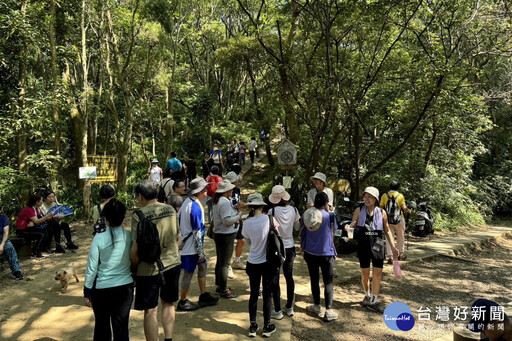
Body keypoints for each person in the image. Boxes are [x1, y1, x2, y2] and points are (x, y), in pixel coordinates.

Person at [130, 180, 181, 341]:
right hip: (172, 263)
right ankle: (168, 338)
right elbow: (177, 237)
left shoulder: (139, 215)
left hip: (148, 269)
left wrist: (134, 265)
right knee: (168, 303)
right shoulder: (170, 210)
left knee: (150, 310)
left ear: (140, 196)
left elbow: (135, 249)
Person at [84, 199, 134, 341]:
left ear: (105, 219)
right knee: (121, 329)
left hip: (101, 290)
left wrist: (87, 290)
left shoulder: (99, 238)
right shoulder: (130, 237)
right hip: (125, 288)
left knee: (101, 328)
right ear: (124, 217)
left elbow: (92, 268)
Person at [344, 186, 399, 313]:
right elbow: (352, 229)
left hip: (378, 245)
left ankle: (374, 300)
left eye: (370, 197)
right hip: (363, 245)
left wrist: (393, 247)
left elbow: (386, 231)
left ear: (375, 199)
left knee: (377, 273)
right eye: (365, 196)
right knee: (365, 274)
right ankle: (367, 294)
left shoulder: (382, 212)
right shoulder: (359, 210)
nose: (367, 199)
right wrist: (349, 229)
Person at [176, 178, 219, 311]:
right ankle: (183, 301)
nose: (207, 191)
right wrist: (200, 253)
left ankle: (203, 294)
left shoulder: (188, 203)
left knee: (202, 266)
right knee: (188, 273)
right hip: (191, 248)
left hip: (190, 245)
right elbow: (196, 231)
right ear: (199, 191)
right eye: (205, 189)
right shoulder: (194, 207)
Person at [242, 193, 277, 337]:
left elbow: (248, 242)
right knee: (267, 294)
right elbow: (276, 236)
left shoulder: (247, 223)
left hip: (253, 261)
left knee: (254, 294)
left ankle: (252, 325)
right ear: (262, 205)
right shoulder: (269, 219)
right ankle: (267, 325)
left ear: (250, 206)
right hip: (267, 262)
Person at [300, 192, 339, 322]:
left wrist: (303, 247)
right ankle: (329, 310)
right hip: (327, 253)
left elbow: (303, 232)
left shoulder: (308, 214)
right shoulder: (330, 216)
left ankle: (317, 305)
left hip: (310, 252)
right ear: (326, 203)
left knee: (314, 279)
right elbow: (336, 230)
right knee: (328, 281)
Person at [268, 185, 300, 319]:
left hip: (277, 247)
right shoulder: (294, 210)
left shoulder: (272, 212)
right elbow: (297, 227)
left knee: (275, 277)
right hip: (290, 246)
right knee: (289, 276)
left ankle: (277, 309)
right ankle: (289, 306)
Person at [212, 180, 242, 298]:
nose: (232, 191)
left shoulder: (218, 200)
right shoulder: (223, 202)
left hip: (219, 233)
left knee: (220, 261)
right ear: (226, 191)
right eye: (230, 189)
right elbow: (226, 221)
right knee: (225, 263)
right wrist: (238, 216)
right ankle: (223, 289)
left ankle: (220, 286)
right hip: (225, 234)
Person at [380, 181, 411, 263]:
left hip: (388, 220)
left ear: (389, 187)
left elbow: (381, 207)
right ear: (398, 187)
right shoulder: (400, 196)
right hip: (399, 219)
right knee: (400, 237)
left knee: (389, 237)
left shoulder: (384, 196)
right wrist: (409, 211)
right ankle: (400, 254)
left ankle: (390, 257)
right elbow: (404, 208)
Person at [16, 194, 55, 259]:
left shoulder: (36, 209)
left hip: (29, 228)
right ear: (36, 202)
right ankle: (35, 253)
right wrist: (47, 216)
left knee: (47, 230)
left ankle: (42, 249)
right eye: (41, 200)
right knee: (42, 234)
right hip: (22, 230)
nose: (42, 202)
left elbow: (38, 219)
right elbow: (37, 221)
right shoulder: (29, 209)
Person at [225, 172, 246, 275]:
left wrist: (239, 205)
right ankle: (227, 264)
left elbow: (235, 202)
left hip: (238, 216)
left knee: (241, 240)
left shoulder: (237, 190)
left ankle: (236, 261)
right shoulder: (224, 191)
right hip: (229, 217)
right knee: (228, 242)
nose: (238, 181)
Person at [0, 209, 23, 280]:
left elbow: (6, 233)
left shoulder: (4, 219)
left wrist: (1, 245)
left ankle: (16, 271)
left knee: (9, 247)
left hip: (2, 239)